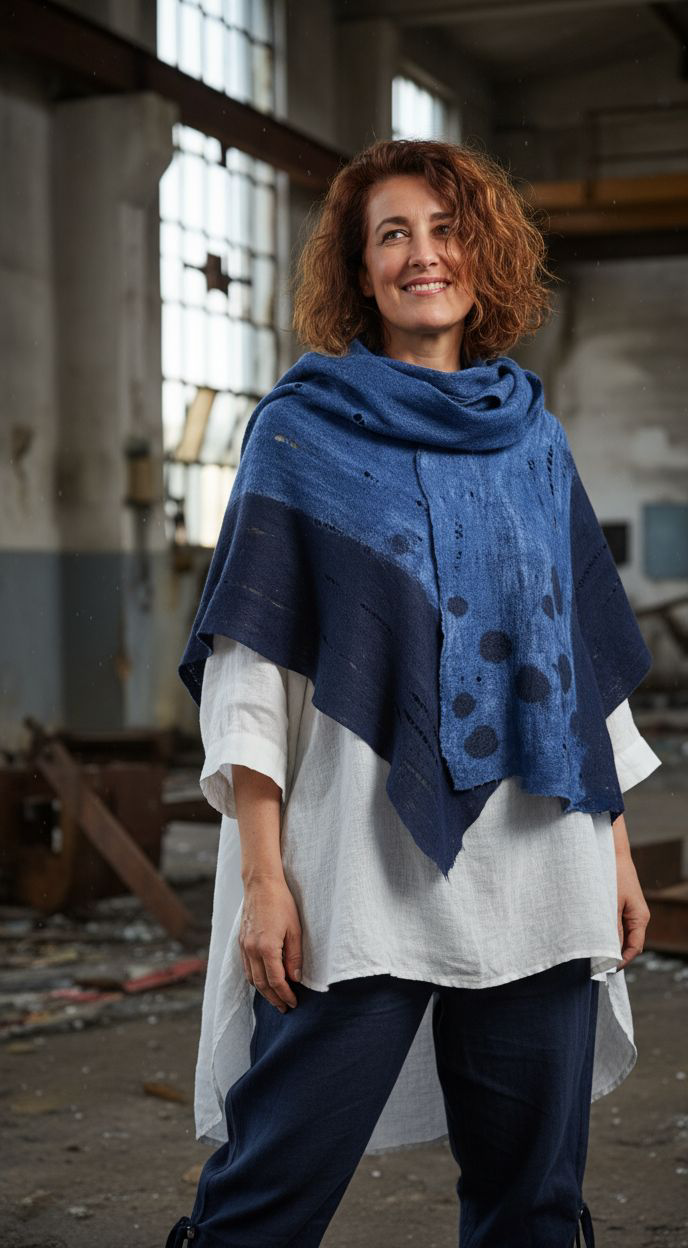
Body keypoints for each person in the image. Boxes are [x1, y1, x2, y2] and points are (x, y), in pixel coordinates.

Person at [166, 137, 661, 1248]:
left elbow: (580, 665)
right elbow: (250, 672)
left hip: (540, 870)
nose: (423, 255)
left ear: (484, 257)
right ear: (361, 268)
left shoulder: (534, 440)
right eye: (393, 234)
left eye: (447, 231)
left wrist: (616, 854)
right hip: (360, 876)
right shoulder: (298, 433)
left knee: (532, 1206)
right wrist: (263, 883)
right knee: (265, 1196)